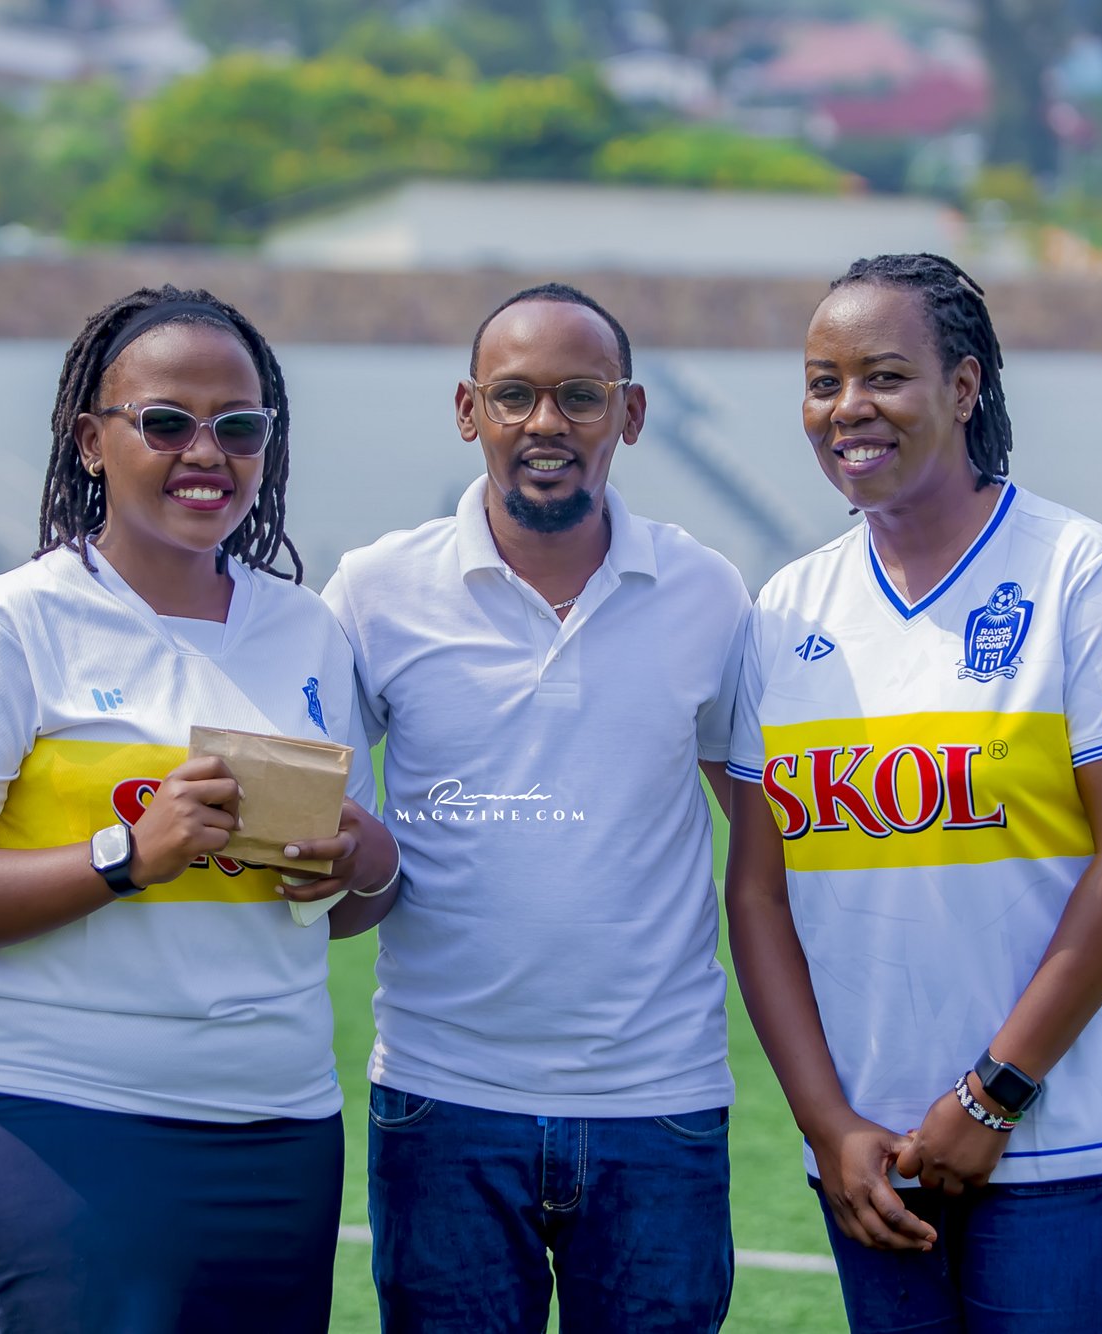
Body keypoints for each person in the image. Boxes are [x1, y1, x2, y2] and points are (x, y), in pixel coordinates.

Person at [0, 285, 399, 1334]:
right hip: (58, 1115)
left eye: (239, 427)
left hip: (279, 1124)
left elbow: (332, 912)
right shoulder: (9, 628)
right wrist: (124, 856)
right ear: (90, 441)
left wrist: (365, 864)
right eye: (166, 422)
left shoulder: (307, 633)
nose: (207, 452)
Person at [725, 253, 1102, 1333]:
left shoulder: (1082, 574)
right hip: (868, 1152)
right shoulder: (785, 608)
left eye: (884, 375)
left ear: (964, 386)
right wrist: (825, 1124)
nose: (848, 407)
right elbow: (756, 893)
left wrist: (992, 1094)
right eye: (822, 381)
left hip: (1067, 1135)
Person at [321, 283, 748, 1333]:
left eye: (579, 396)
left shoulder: (708, 592)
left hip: (659, 1101)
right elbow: (318, 825)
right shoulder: (374, 591)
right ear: (467, 410)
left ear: (629, 413)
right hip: (442, 1098)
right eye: (513, 396)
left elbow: (766, 831)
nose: (544, 422)